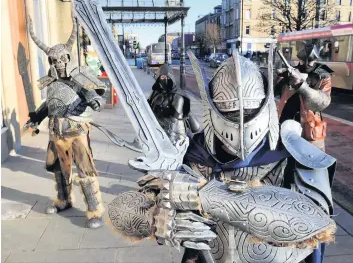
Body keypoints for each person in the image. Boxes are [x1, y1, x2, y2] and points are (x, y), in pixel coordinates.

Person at [107, 49, 337, 263]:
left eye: (247, 113)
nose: (239, 123)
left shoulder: (294, 151)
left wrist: (201, 193)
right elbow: (123, 214)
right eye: (231, 114)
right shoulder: (194, 151)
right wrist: (159, 215)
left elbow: (317, 224)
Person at [25, 15, 106, 229]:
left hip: (76, 130)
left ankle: (94, 209)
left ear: (68, 57)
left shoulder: (78, 77)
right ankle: (64, 200)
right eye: (54, 60)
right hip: (56, 132)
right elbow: (49, 105)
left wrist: (95, 101)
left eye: (62, 59)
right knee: (59, 169)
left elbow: (94, 94)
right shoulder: (51, 82)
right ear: (51, 62)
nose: (59, 63)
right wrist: (36, 118)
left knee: (85, 169)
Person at [275, 42, 333, 151]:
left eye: (310, 61)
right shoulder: (290, 72)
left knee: (310, 161)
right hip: (286, 123)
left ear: (315, 60)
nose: (306, 64)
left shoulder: (323, 76)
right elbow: (273, 91)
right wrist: (278, 77)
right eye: (303, 60)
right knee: (282, 159)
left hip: (309, 127)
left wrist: (301, 85)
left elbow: (322, 101)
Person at [147, 64, 200, 145]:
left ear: (171, 78)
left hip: (176, 134)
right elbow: (148, 107)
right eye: (162, 77)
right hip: (160, 129)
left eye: (167, 77)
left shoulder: (178, 96)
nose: (164, 80)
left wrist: (169, 144)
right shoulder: (156, 92)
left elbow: (173, 122)